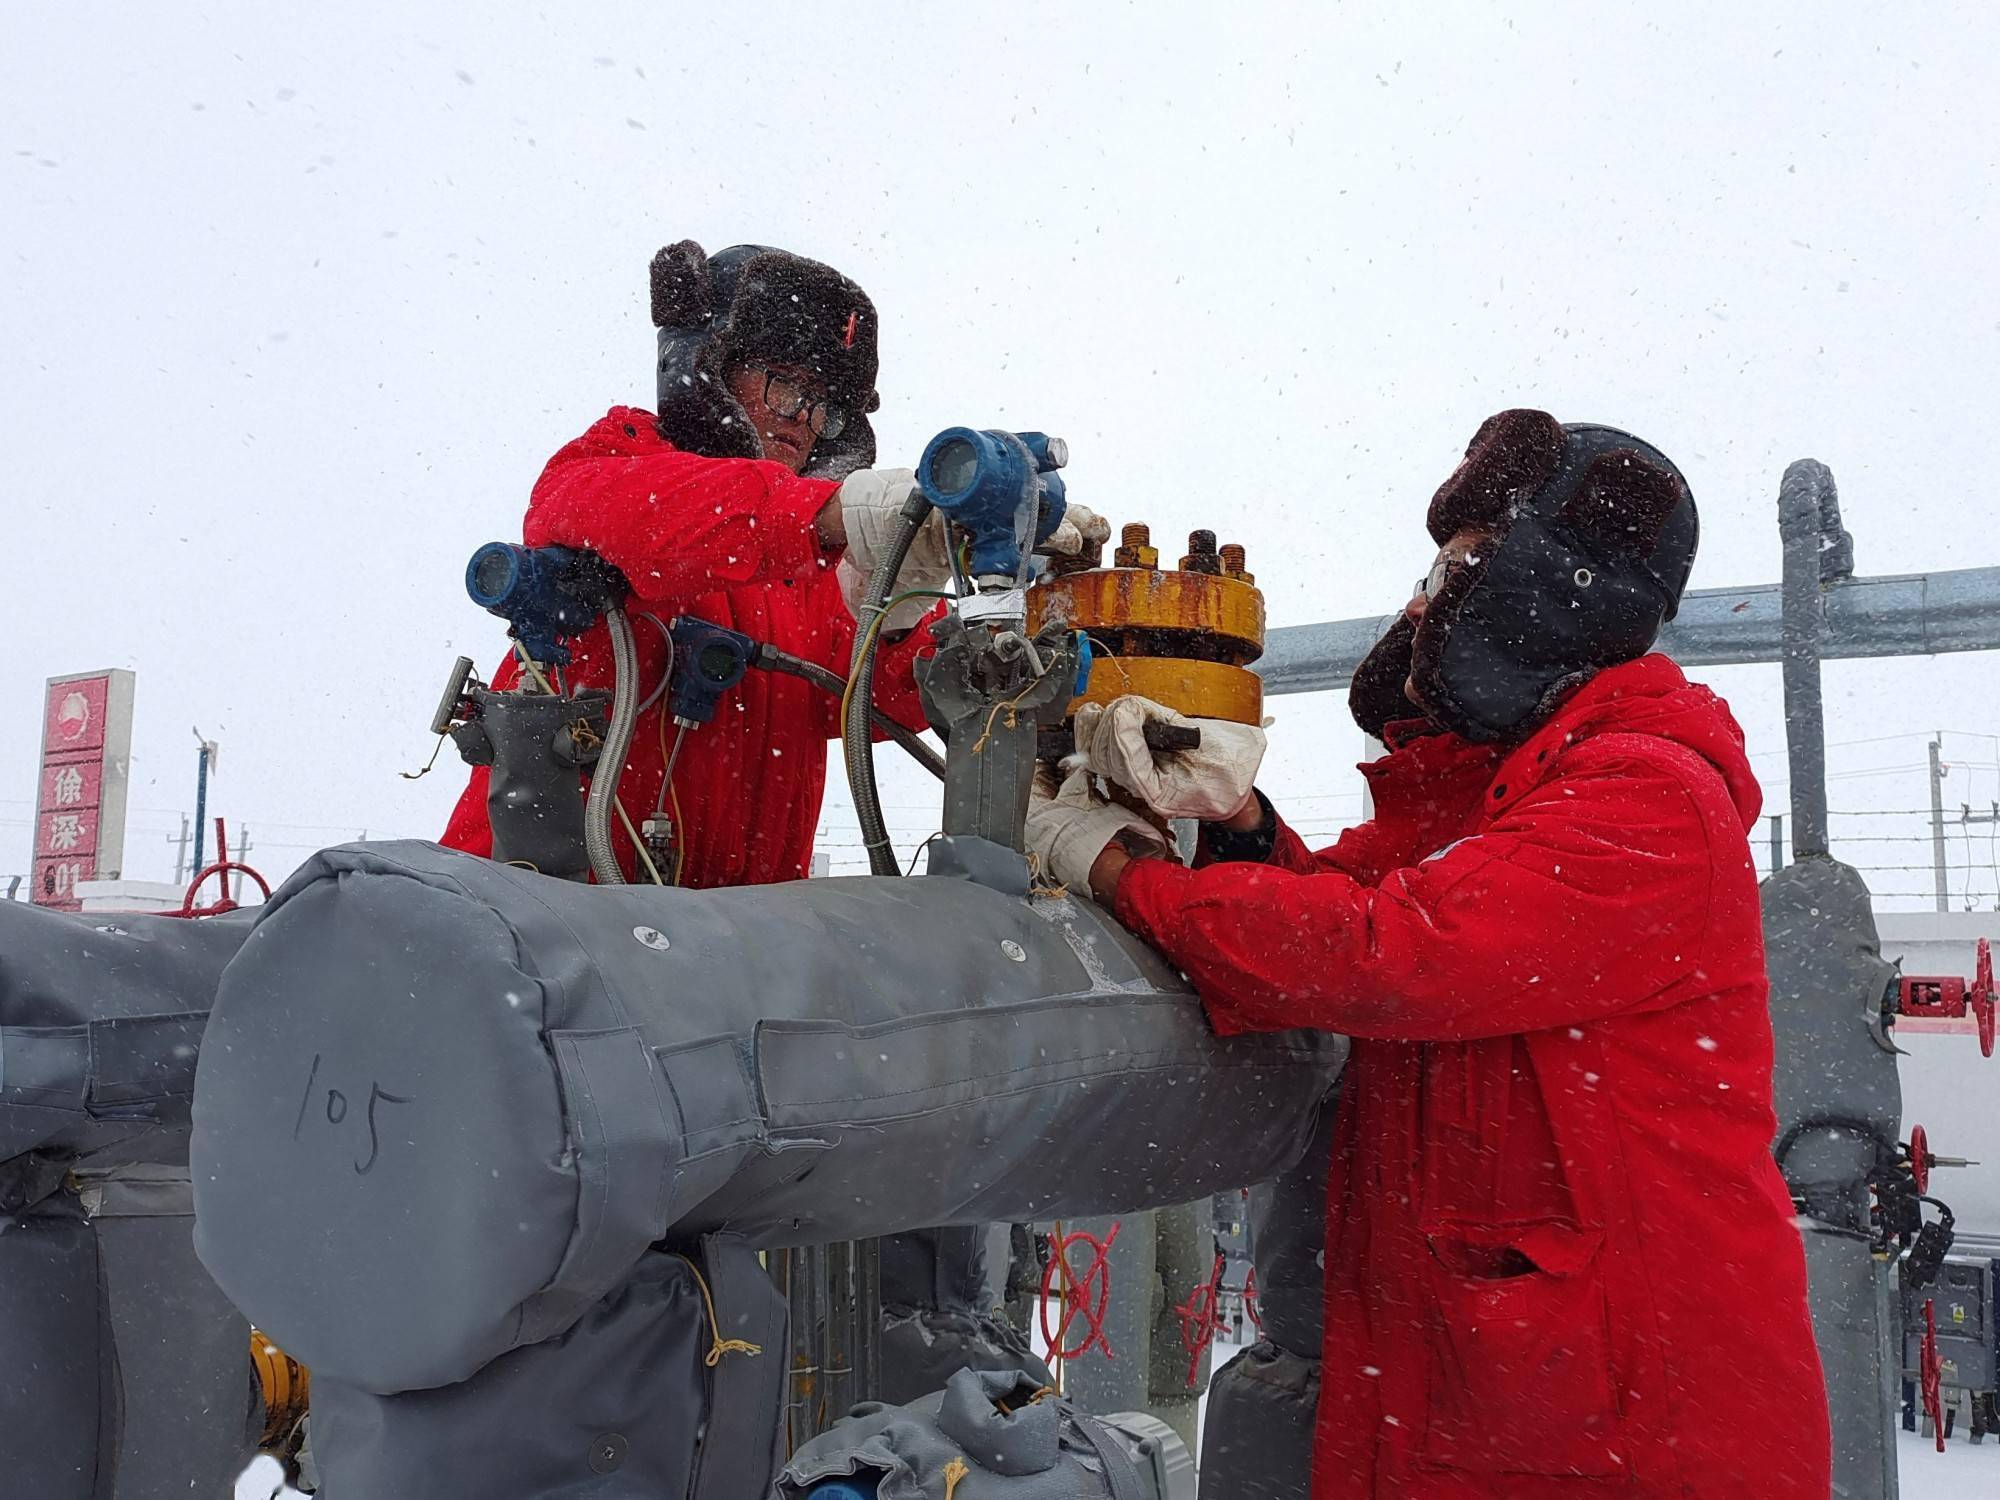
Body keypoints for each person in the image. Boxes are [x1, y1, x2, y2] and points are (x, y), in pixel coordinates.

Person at [1026, 409, 1831, 1498]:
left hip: (1630, 1432)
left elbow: (1386, 954)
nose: (1422, 602)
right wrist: (1236, 825)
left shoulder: (1645, 795)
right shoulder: (1490, 794)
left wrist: (1123, 870)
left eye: (1457, 566)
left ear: (1541, 593)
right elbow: (1357, 901)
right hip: (1507, 1399)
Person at [441, 239, 1109, 885]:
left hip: (716, 962)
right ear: (708, 366)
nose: (806, 421)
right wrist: (848, 515)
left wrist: (921, 577)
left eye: (828, 409)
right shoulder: (606, 469)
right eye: (787, 386)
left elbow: (883, 696)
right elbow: (659, 519)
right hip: (532, 939)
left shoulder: (806, 581)